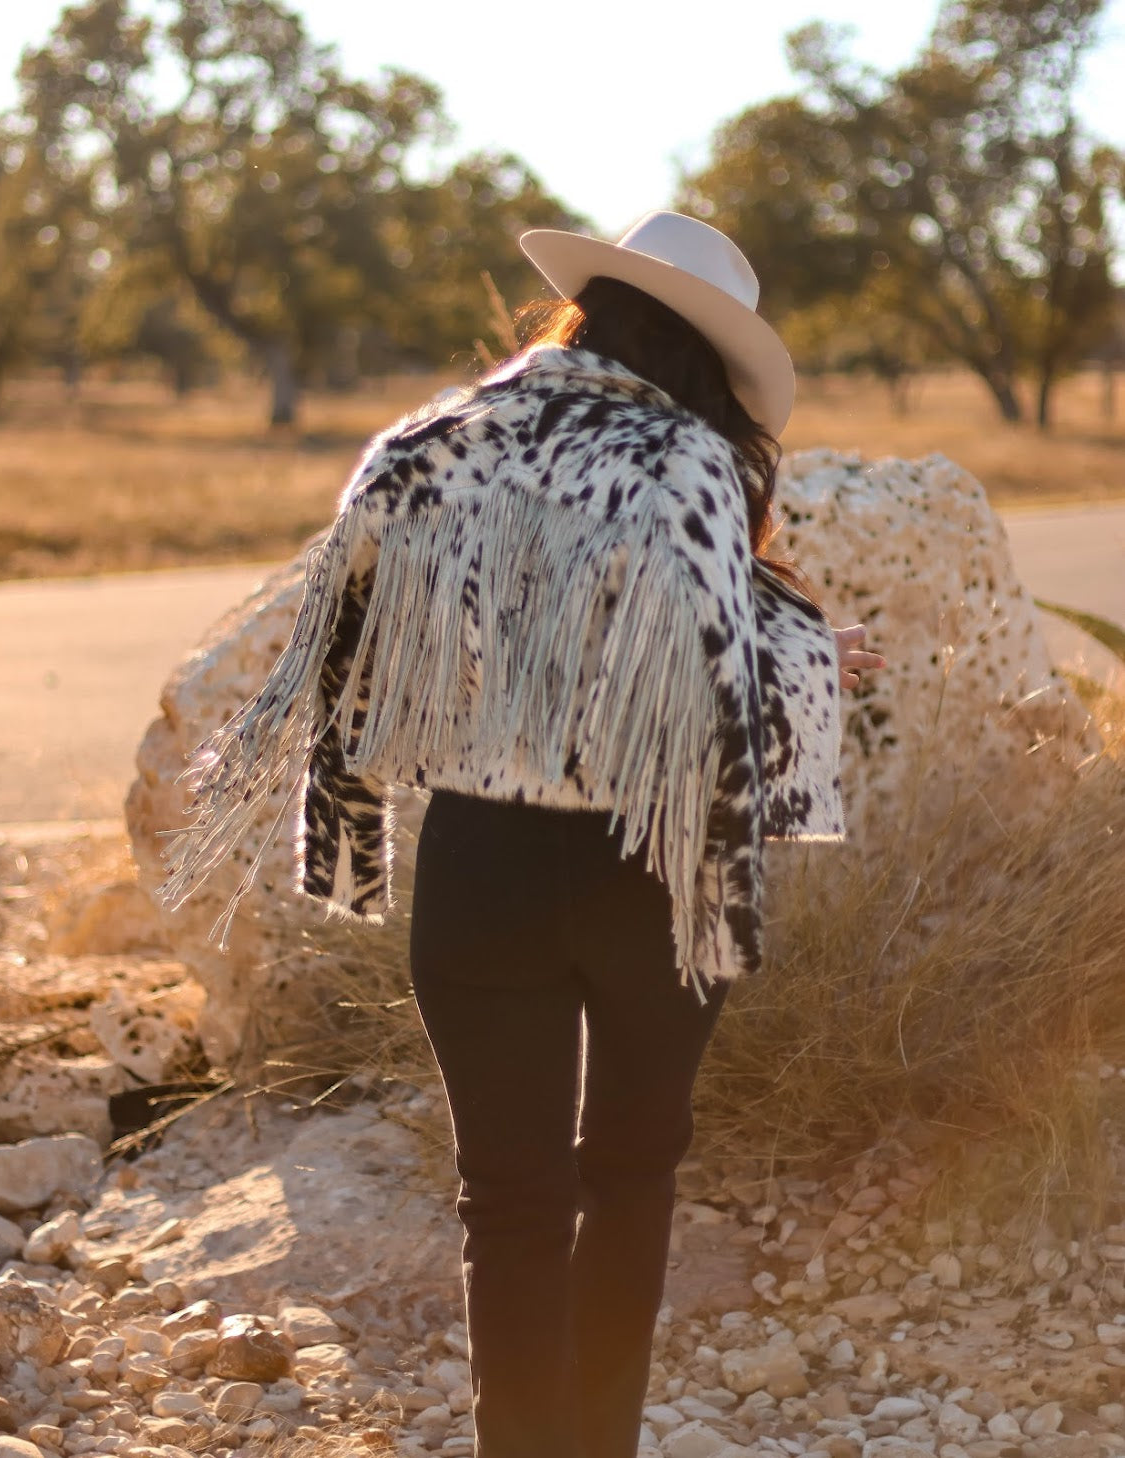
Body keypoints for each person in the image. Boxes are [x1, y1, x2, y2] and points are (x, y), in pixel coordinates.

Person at [161, 210, 884, 1458]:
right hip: (651, 872)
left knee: (505, 1201)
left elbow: (339, 652)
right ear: (709, 357)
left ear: (588, 312)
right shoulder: (688, 463)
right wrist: (820, 658)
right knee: (633, 1173)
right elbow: (711, 694)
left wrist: (346, 839)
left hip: (478, 867)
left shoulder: (428, 441)